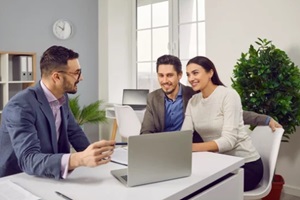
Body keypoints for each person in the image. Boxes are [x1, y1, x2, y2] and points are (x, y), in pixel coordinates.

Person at [0, 45, 115, 179]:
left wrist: (97, 155)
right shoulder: (20, 106)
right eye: (76, 73)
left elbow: (74, 132)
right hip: (17, 179)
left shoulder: (61, 96)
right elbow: (28, 159)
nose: (81, 78)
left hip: (48, 174)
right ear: (57, 77)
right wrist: (79, 159)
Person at [140, 55, 282, 139]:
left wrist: (265, 119)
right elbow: (146, 132)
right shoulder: (153, 98)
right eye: (161, 75)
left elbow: (231, 113)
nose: (165, 81)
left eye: (169, 75)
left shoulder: (194, 95)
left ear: (179, 75)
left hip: (191, 150)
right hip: (161, 149)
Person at [181, 56, 263, 191]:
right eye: (188, 75)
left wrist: (191, 147)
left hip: (245, 165)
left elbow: (228, 141)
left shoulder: (228, 95)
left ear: (210, 73)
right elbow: (184, 134)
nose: (191, 79)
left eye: (195, 73)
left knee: (197, 188)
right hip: (218, 163)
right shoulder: (193, 101)